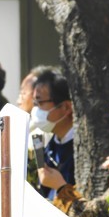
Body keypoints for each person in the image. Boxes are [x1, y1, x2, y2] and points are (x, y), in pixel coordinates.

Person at [32, 68, 77, 201]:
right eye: (34, 103)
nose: (35, 110)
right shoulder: (47, 146)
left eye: (40, 103)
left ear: (66, 107)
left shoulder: (80, 148)